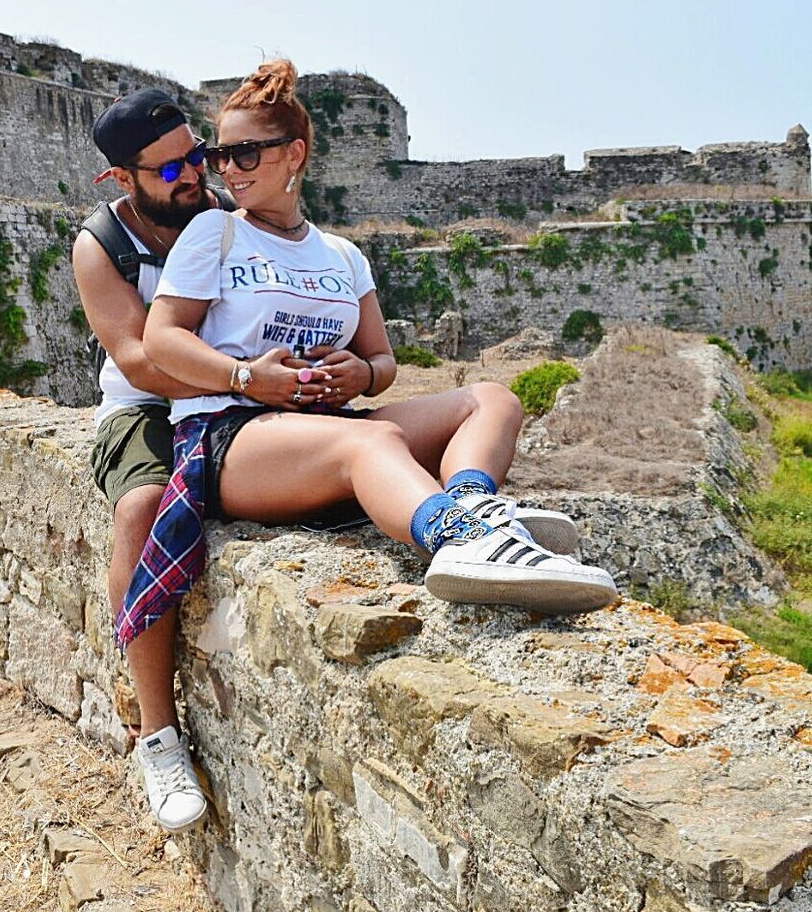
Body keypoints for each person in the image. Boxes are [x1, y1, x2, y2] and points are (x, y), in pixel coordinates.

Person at [122, 60, 616, 664]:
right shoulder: (215, 234)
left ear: (295, 153)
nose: (227, 170)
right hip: (231, 434)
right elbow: (162, 339)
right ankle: (460, 541)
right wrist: (249, 377)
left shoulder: (343, 254)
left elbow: (382, 359)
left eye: (245, 154)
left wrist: (362, 375)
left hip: (329, 429)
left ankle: (469, 503)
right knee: (374, 441)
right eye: (221, 156)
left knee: (493, 398)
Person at [72, 88, 222, 832]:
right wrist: (241, 374)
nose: (191, 176)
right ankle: (157, 736)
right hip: (145, 405)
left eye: (196, 157)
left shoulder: (227, 214)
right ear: (120, 178)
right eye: (168, 171)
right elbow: (138, 358)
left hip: (234, 391)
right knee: (140, 505)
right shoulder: (102, 246)